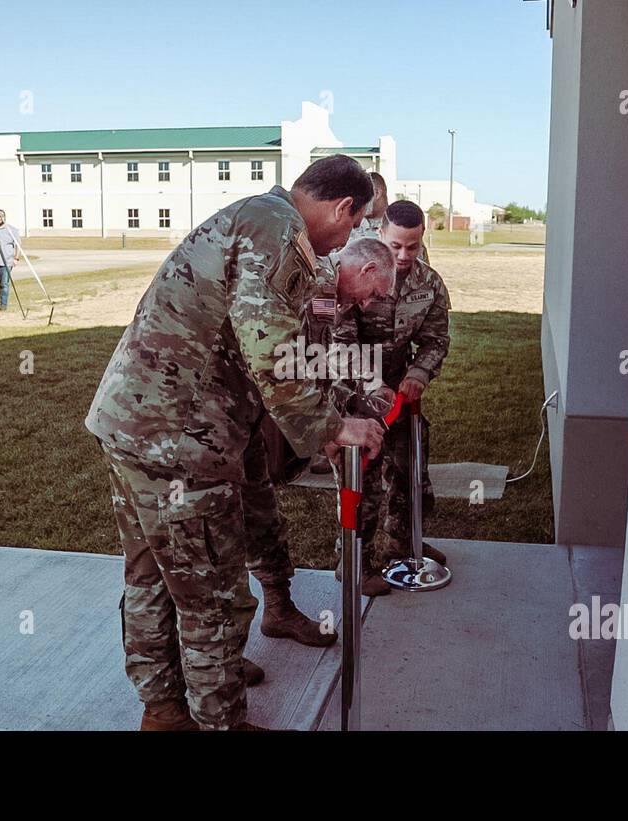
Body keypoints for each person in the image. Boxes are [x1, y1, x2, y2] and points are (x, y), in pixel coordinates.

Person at [86, 154, 389, 731]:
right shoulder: (278, 229)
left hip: (133, 427)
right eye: (353, 225)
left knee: (152, 576)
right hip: (180, 443)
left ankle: (166, 711)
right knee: (215, 599)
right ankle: (218, 721)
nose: (347, 239)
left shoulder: (255, 217)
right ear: (342, 206)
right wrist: (329, 427)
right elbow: (271, 343)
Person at [335, 200, 451, 596]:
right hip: (358, 396)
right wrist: (370, 385)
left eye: (413, 247)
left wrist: (419, 372)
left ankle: (404, 541)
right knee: (363, 481)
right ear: (380, 233)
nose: (403, 256)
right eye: (396, 245)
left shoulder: (429, 284)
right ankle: (354, 560)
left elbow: (436, 339)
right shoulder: (353, 269)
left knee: (412, 471)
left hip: (403, 392)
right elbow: (341, 342)